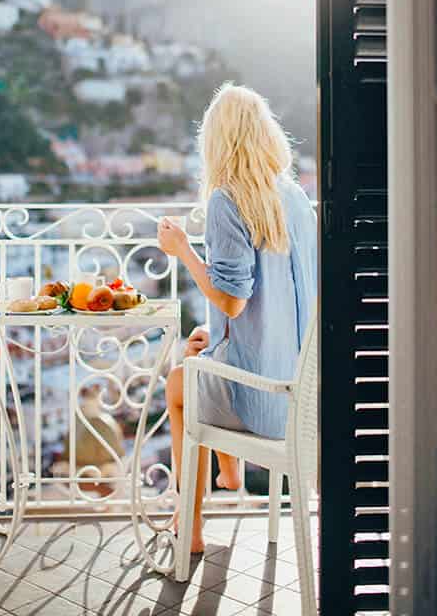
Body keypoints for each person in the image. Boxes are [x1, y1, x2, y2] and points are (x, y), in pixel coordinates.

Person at [158, 83, 317, 554]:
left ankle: (191, 527)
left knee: (177, 385)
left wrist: (181, 249)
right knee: (201, 346)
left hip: (263, 401)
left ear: (216, 141)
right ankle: (227, 470)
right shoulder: (294, 198)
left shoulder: (228, 201)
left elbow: (232, 301)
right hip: (302, 392)